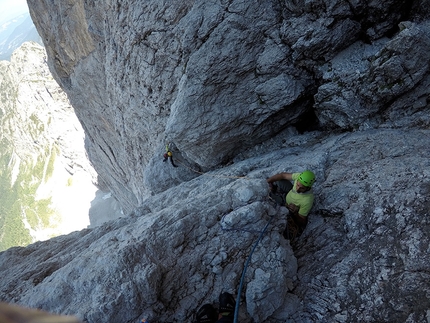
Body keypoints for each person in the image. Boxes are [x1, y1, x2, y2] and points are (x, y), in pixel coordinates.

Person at [266, 170, 315, 239]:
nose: (298, 189)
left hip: (287, 205)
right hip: (290, 192)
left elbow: (302, 221)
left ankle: (271, 191)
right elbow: (283, 175)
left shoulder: (307, 200)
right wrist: (267, 181)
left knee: (269, 196)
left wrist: (295, 212)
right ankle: (271, 185)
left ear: (308, 188)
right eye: (297, 185)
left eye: (302, 188)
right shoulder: (299, 177)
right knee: (280, 180)